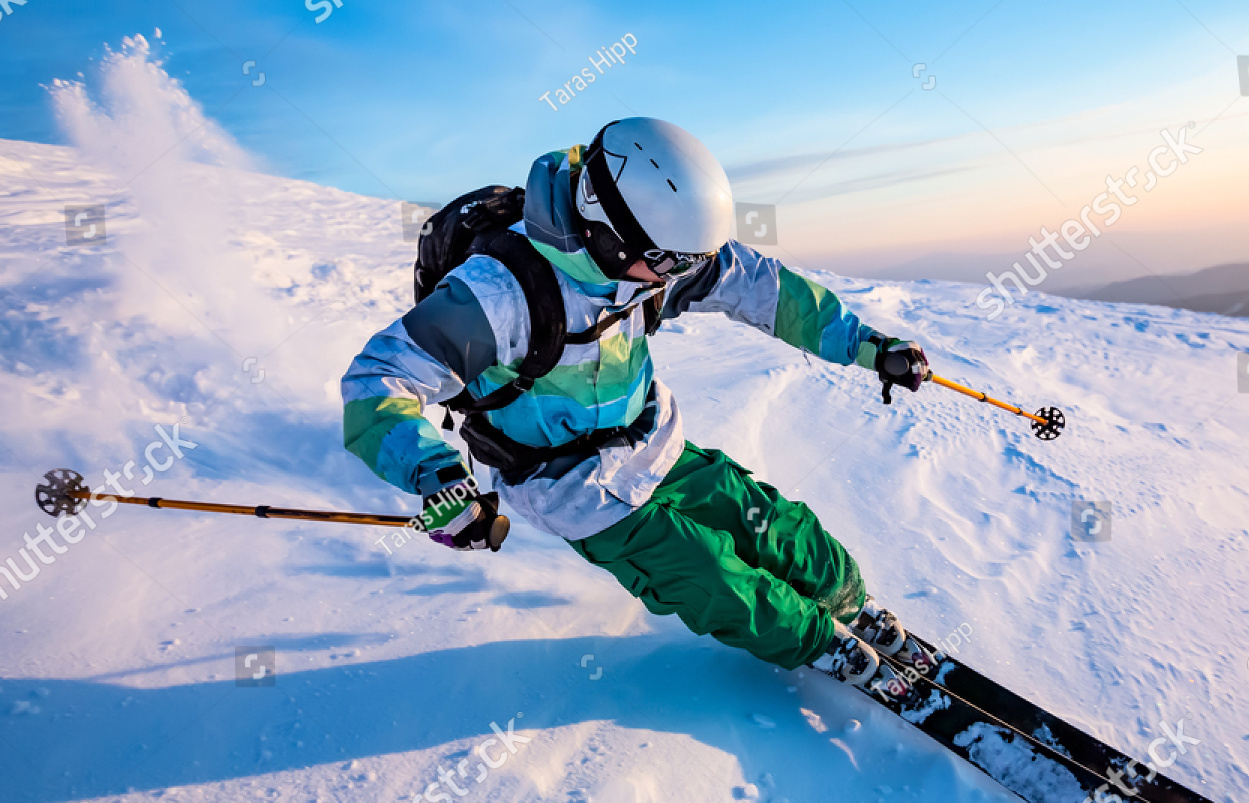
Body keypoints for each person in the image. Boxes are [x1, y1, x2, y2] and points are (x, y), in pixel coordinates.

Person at [341, 117, 930, 688]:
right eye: (673, 262)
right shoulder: (501, 294)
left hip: (653, 441)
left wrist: (867, 347)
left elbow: (764, 288)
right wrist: (438, 477)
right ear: (604, 229)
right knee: (714, 577)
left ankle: (850, 602)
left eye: (691, 260)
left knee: (775, 528)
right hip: (572, 488)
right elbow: (378, 381)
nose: (679, 276)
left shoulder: (654, 255)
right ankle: (819, 643)